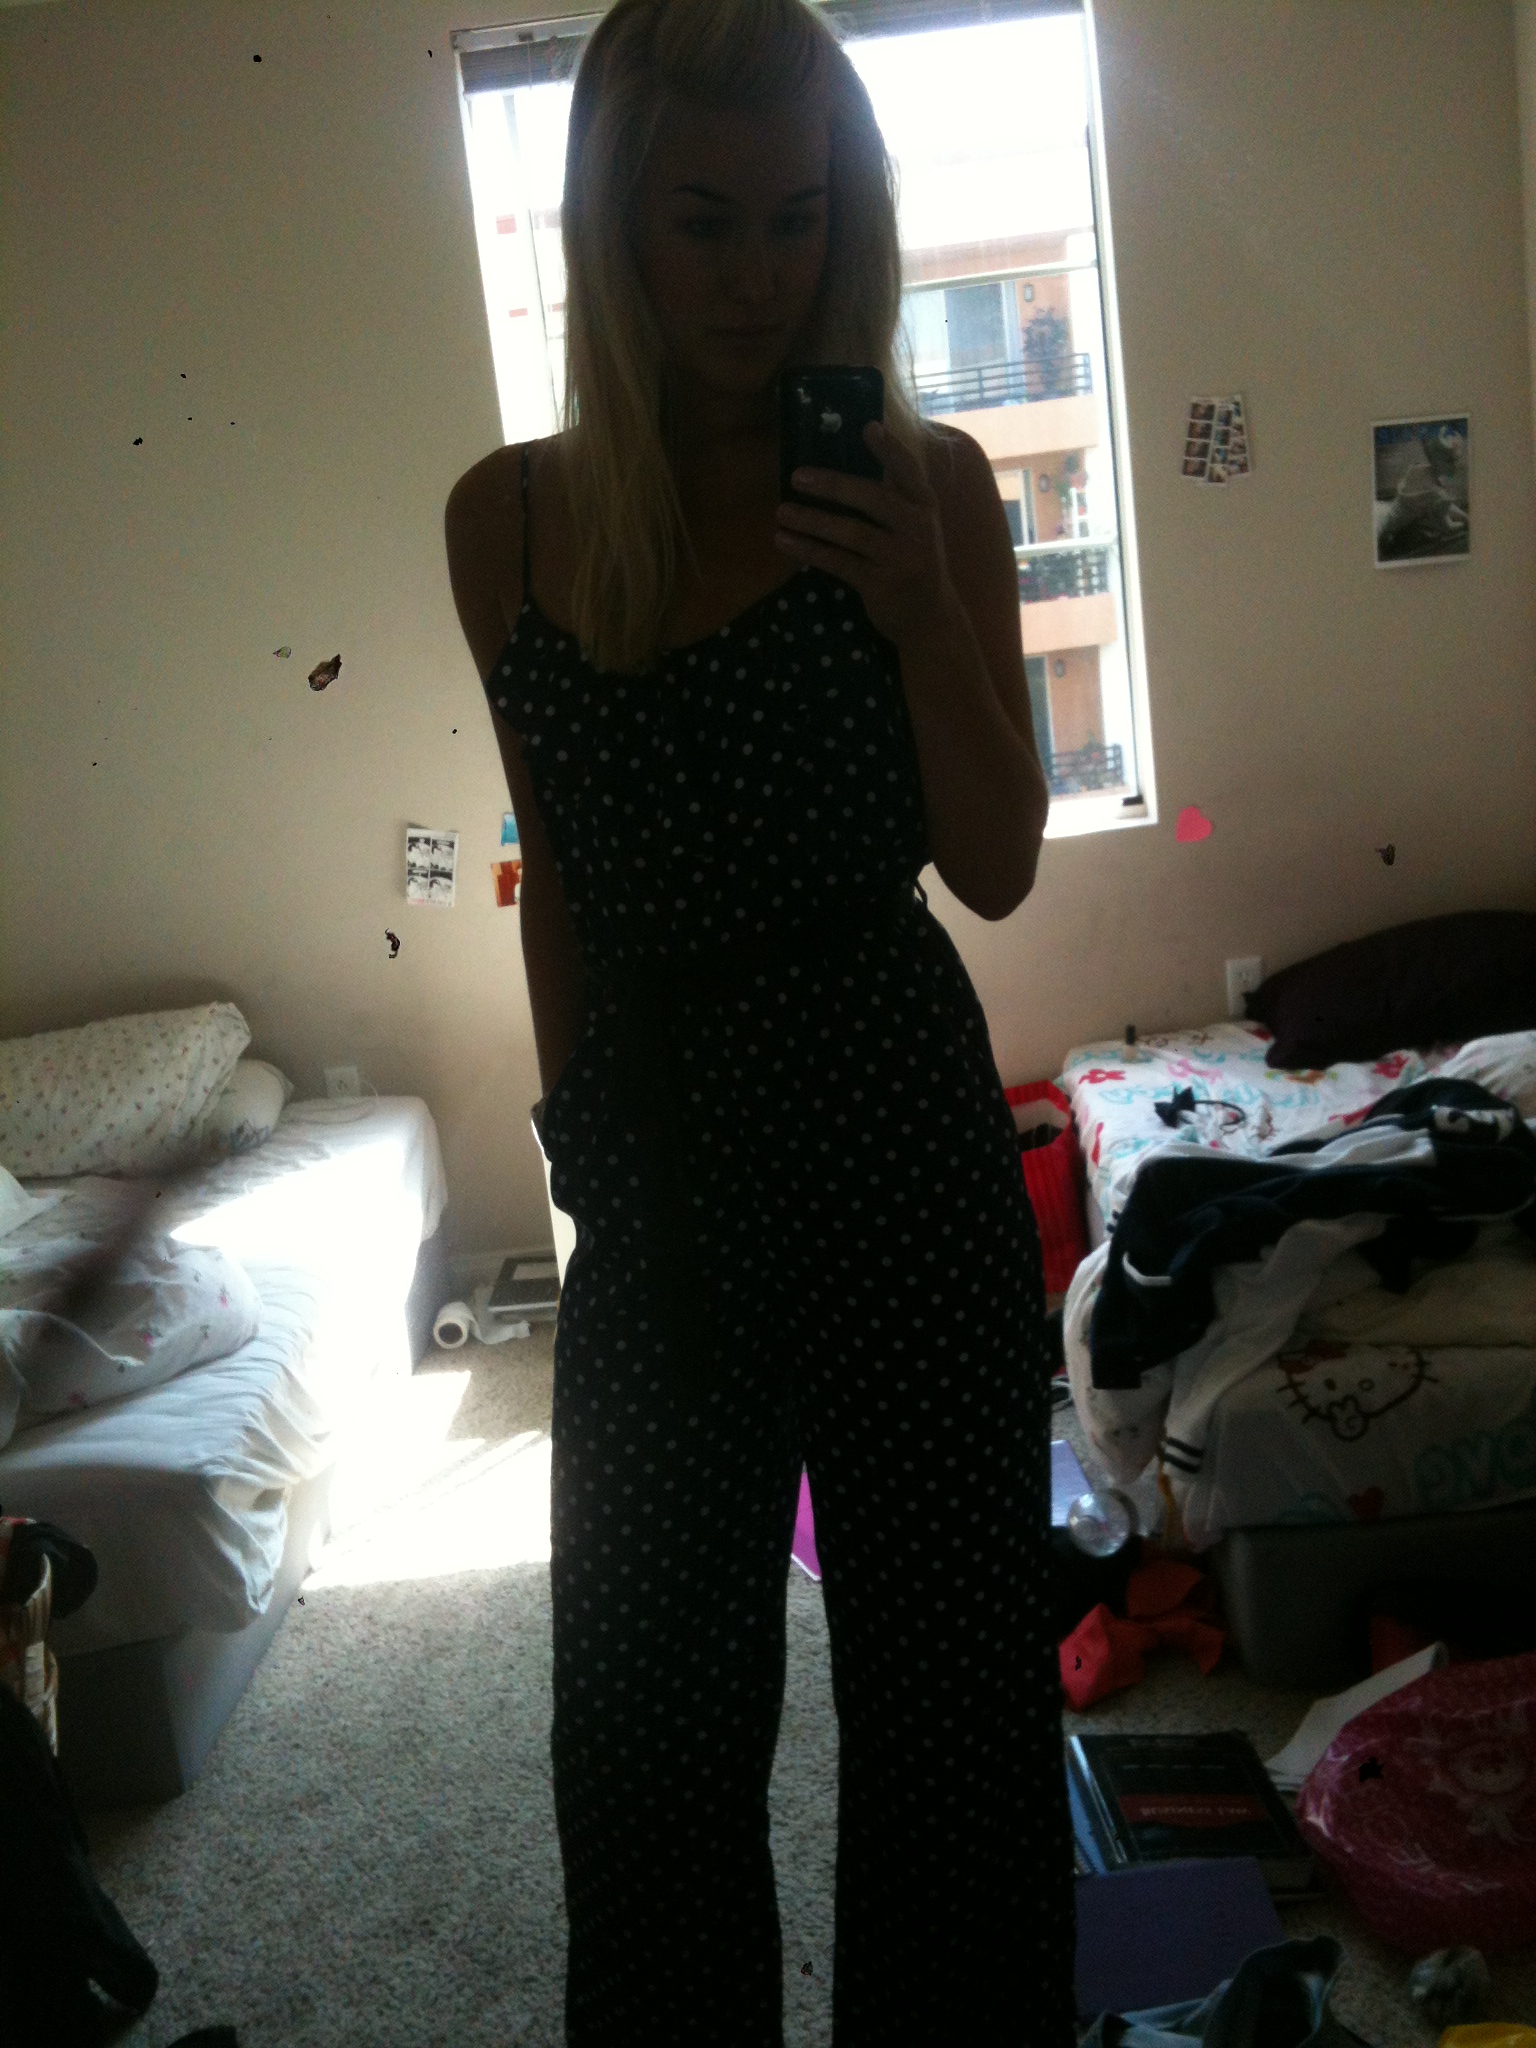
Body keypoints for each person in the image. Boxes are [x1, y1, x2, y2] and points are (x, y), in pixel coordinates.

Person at [443, 0, 1074, 2040]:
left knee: (953, 1714)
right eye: (702, 223)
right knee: (642, 1735)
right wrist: (575, 1142)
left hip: (898, 1134)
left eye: (795, 219)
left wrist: (916, 608)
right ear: (616, 227)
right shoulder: (507, 520)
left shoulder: (928, 484)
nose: (754, 277)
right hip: (661, 1167)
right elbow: (554, 863)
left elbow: (997, 863)